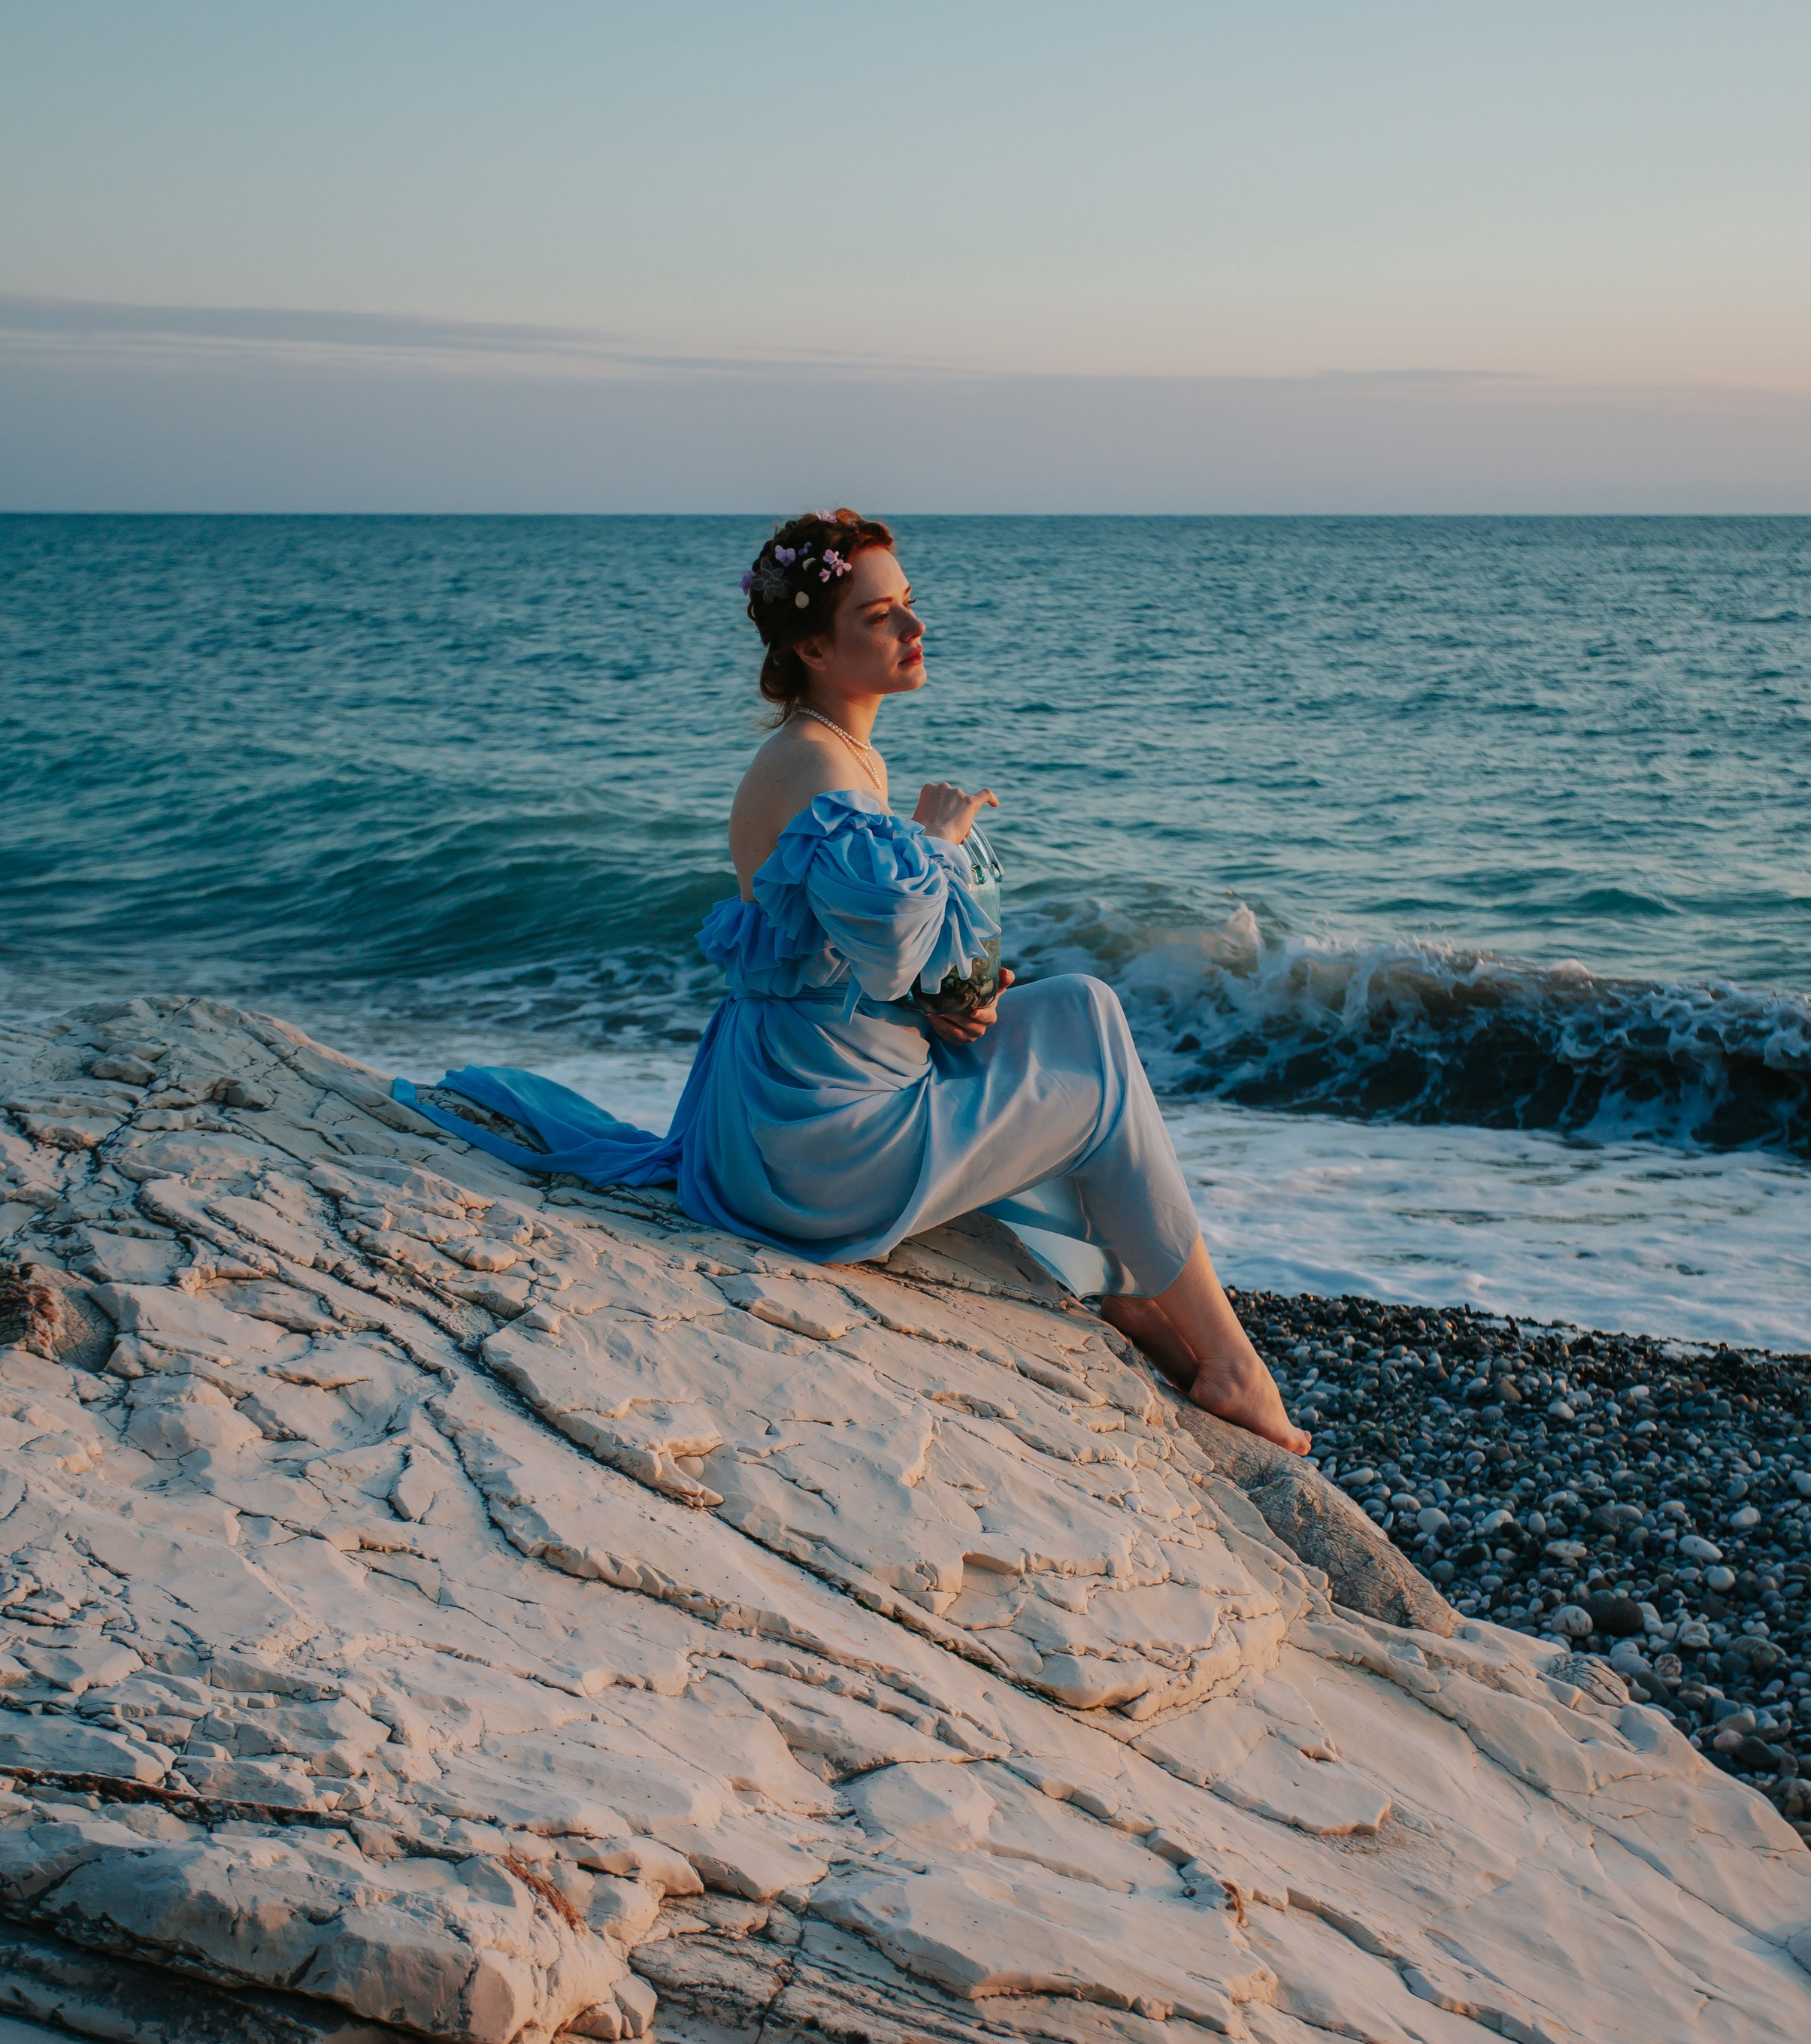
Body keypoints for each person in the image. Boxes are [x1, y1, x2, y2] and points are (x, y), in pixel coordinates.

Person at [397, 507, 1307, 1450]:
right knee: (1096, 1077)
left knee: (1081, 1009)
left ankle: (1136, 1299)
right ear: (812, 647)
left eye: (907, 603)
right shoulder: (817, 769)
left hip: (799, 1098)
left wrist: (942, 1000)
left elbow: (856, 958)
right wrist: (938, 840)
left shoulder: (832, 752)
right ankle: (1230, 1363)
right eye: (880, 617)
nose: (914, 626)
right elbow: (899, 945)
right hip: (818, 1150)